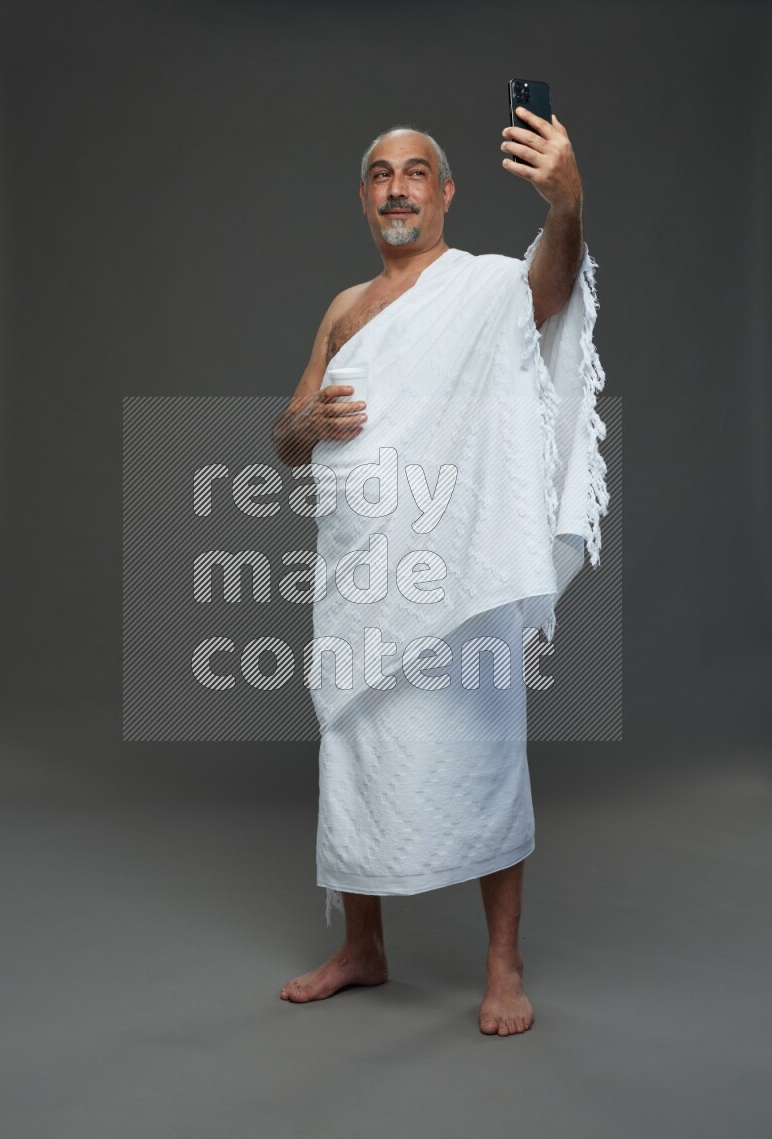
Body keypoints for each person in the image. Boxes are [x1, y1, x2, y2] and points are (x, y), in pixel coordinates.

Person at [272, 109, 604, 1037]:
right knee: (355, 749)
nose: (397, 188)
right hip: (362, 573)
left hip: (462, 573)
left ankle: (505, 963)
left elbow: (554, 286)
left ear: (446, 193)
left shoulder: (487, 287)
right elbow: (287, 440)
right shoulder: (345, 309)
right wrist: (315, 425)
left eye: (415, 172)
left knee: (485, 751)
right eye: (380, 174)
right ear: (365, 197)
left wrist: (565, 196)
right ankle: (363, 947)